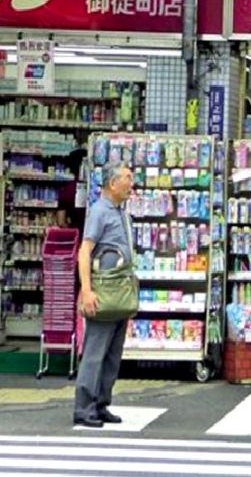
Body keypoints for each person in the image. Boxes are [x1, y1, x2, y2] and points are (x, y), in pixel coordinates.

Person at [74, 162, 135, 428]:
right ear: (113, 183)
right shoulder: (100, 211)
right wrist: (86, 290)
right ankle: (84, 407)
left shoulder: (121, 212)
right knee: (95, 351)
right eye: (127, 178)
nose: (131, 182)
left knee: (112, 353)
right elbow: (85, 251)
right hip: (103, 291)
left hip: (120, 291)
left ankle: (101, 403)